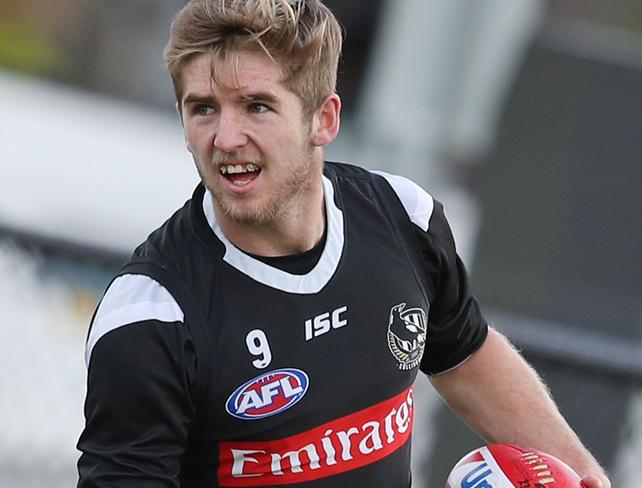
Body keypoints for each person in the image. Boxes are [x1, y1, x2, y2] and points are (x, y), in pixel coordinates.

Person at [77, 1, 610, 487]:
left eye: (256, 106)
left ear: (322, 119)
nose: (226, 137)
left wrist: (584, 475)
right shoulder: (153, 317)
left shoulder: (402, 218)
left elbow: (465, 354)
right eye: (204, 109)